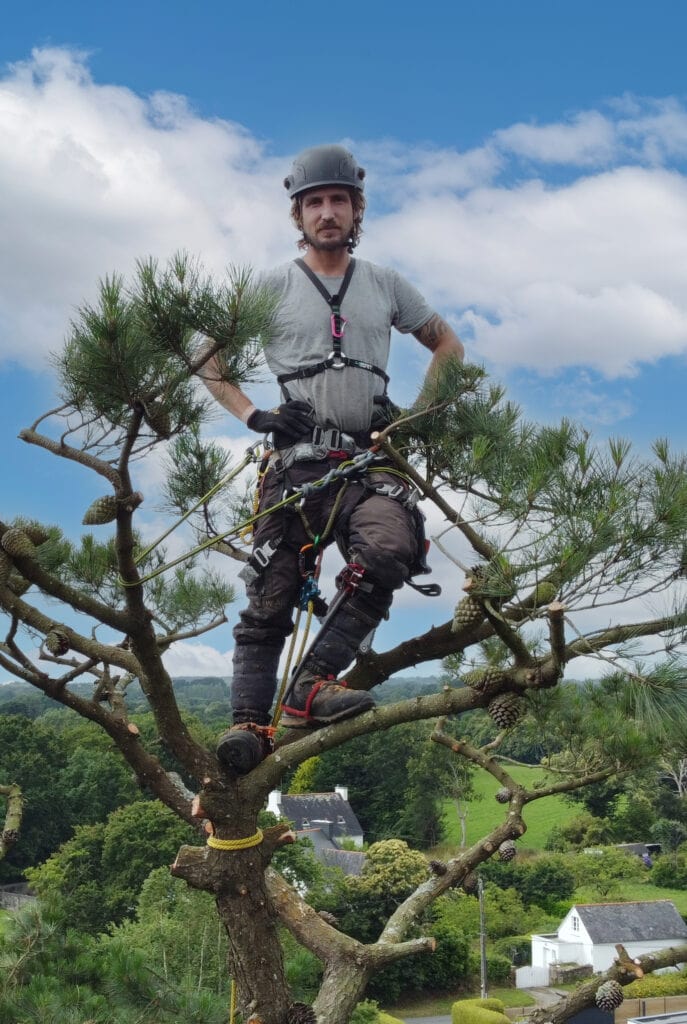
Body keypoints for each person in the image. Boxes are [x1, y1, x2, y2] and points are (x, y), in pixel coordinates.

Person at [200, 144, 464, 773]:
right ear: (298, 214)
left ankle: (311, 686)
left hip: (365, 461)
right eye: (314, 202)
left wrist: (413, 416)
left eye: (337, 200)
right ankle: (246, 727)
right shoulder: (268, 287)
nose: (326, 212)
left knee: (392, 546)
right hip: (296, 460)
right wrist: (255, 416)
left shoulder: (386, 284)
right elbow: (206, 358)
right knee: (272, 592)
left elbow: (447, 344)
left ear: (356, 208)